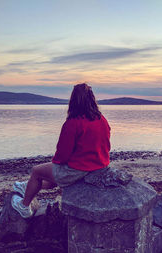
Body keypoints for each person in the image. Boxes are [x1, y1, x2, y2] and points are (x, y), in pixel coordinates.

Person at [11, 83, 111, 218]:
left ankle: (24, 206)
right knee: (50, 176)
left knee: (36, 171)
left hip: (78, 170)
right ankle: (27, 187)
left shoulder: (73, 122)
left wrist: (57, 163)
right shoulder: (101, 119)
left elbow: (62, 155)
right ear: (92, 99)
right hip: (98, 166)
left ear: (73, 101)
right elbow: (105, 145)